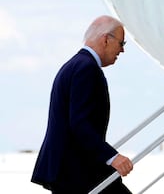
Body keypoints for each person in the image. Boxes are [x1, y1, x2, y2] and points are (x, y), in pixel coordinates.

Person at [31, 15, 133, 194]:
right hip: (77, 169)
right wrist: (112, 157)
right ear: (106, 39)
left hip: (73, 168)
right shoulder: (87, 68)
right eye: (122, 44)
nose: (122, 51)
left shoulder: (74, 65)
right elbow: (79, 123)